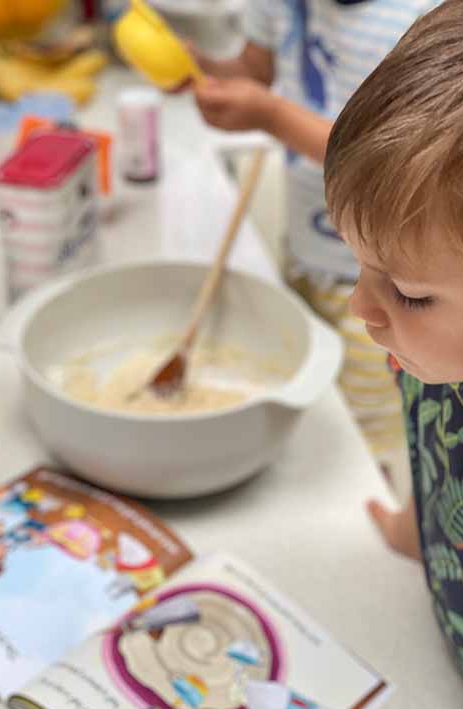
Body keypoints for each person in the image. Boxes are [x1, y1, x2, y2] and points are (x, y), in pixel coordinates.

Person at [324, 0, 463, 709]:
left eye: (407, 293)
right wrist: (414, 528)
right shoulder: (430, 349)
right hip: (437, 628)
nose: (360, 307)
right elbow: (428, 442)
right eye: (364, 269)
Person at [189, 0, 441, 471]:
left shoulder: (416, 18)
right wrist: (200, 67)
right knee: (308, 395)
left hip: (385, 284)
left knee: (363, 430)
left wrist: (271, 116)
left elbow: (388, 163)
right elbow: (253, 71)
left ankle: (374, 493)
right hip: (306, 252)